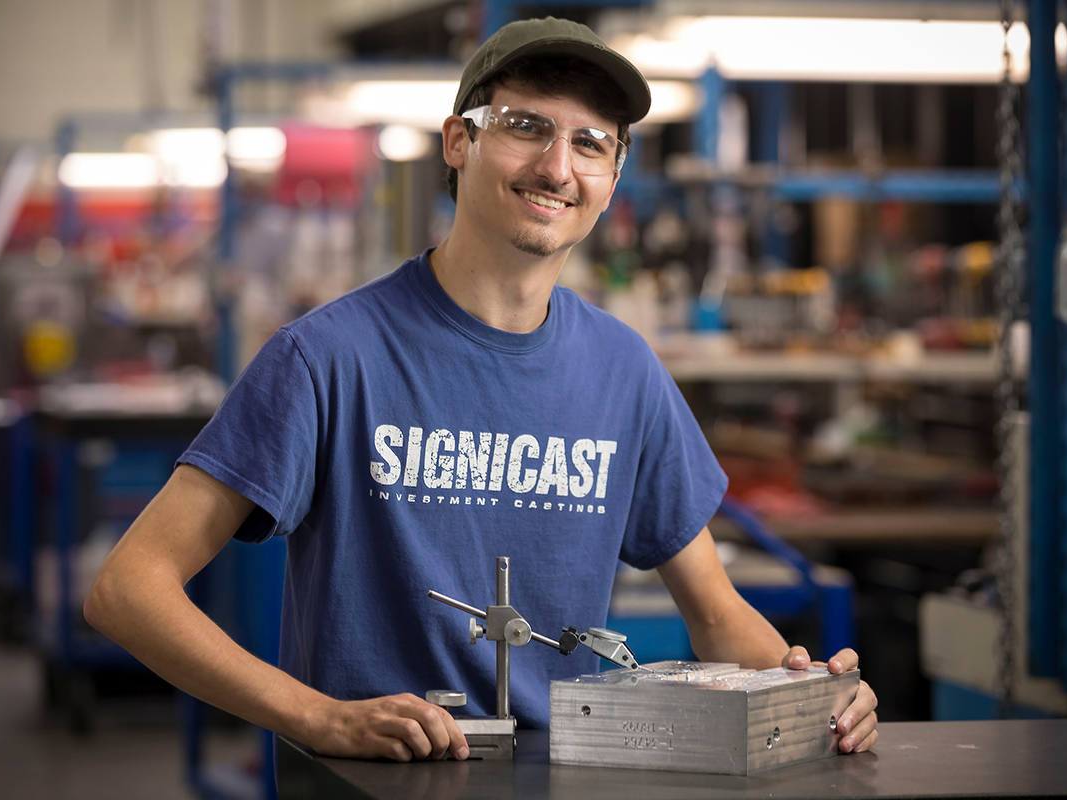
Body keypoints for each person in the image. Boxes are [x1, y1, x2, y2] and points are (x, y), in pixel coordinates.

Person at [85, 17, 878, 765]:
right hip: (379, 781)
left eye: (591, 144)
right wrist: (315, 715)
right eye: (526, 127)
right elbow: (129, 589)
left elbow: (714, 612)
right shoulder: (326, 359)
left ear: (613, 178)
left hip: (561, 777)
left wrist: (808, 691)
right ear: (460, 140)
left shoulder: (624, 372)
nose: (557, 168)